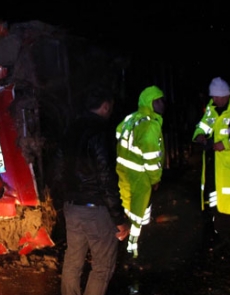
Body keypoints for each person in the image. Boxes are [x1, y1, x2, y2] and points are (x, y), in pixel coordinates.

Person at [55, 85, 130, 295]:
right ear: (106, 106)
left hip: (72, 207)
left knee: (73, 261)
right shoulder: (101, 133)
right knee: (102, 266)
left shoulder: (70, 129)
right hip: (95, 209)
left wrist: (63, 200)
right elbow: (106, 177)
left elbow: (58, 170)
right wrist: (118, 218)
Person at [192, 77, 230, 262]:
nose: (214, 100)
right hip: (213, 167)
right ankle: (224, 239)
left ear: (225, 95)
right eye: (213, 97)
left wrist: (224, 144)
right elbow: (203, 124)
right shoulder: (211, 107)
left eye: (217, 97)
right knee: (216, 207)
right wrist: (199, 135)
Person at [115, 85, 166, 261]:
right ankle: (133, 250)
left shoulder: (131, 118)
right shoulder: (150, 125)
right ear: (151, 103)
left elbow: (118, 132)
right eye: (158, 101)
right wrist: (155, 179)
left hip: (124, 172)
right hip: (140, 176)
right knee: (139, 213)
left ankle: (125, 247)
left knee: (128, 208)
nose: (162, 104)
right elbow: (151, 157)